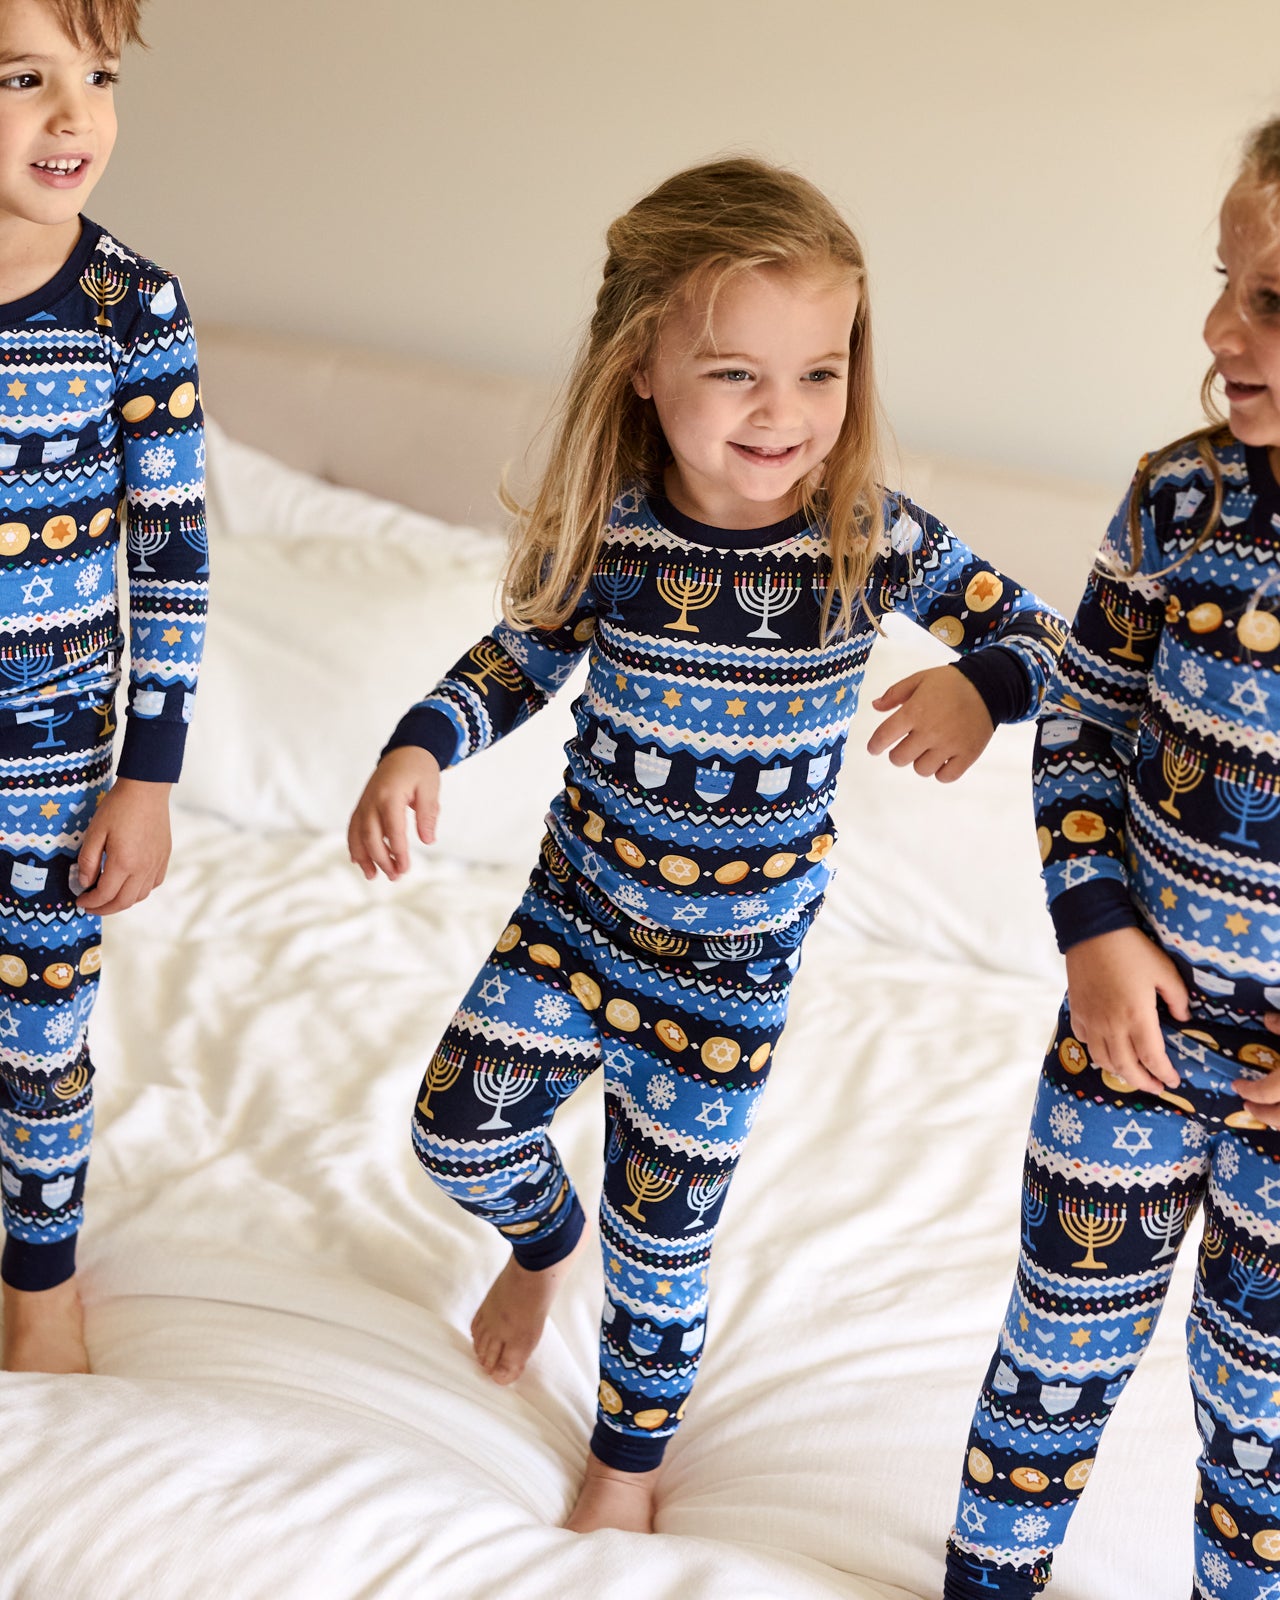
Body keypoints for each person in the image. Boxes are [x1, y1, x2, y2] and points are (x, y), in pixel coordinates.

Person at [349, 157, 1063, 1535]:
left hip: (725, 974)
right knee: (453, 1131)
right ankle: (537, 1244)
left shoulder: (868, 538)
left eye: (820, 371)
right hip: (575, 920)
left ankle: (628, 1462)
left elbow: (1048, 645)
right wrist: (418, 744)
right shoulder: (610, 534)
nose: (784, 415)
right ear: (641, 366)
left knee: (661, 1243)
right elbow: (515, 656)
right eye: (738, 374)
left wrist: (984, 688)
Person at [946, 116, 1280, 1600]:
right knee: (1051, 1364)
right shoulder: (1178, 496)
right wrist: (1094, 927)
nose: (1218, 326)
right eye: (1225, 280)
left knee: (1264, 1430)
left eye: (1271, 298)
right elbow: (1081, 713)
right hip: (1127, 1035)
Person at [0, 0, 206, 1375]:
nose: (76, 116)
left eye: (99, 76)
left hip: (55, 773)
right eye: (24, 78)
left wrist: (149, 774)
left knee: (41, 1035)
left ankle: (42, 1300)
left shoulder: (134, 308)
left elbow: (174, 561)